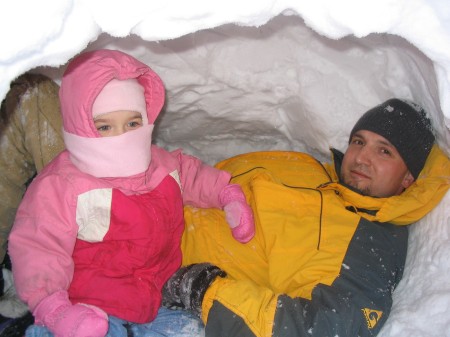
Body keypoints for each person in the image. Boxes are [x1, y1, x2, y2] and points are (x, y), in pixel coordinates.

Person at [7, 49, 255, 337]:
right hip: (88, 309)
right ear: (83, 127)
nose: (122, 136)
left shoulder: (159, 165)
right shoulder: (64, 185)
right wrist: (54, 309)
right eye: (105, 126)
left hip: (156, 302)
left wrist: (227, 195)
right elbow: (38, 247)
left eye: (132, 123)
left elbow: (191, 174)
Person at [162, 98, 450, 337]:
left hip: (154, 273)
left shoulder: (368, 245)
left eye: (384, 151)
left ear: (408, 177)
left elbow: (324, 327)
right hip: (140, 207)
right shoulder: (318, 171)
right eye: (359, 142)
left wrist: (203, 287)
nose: (361, 157)